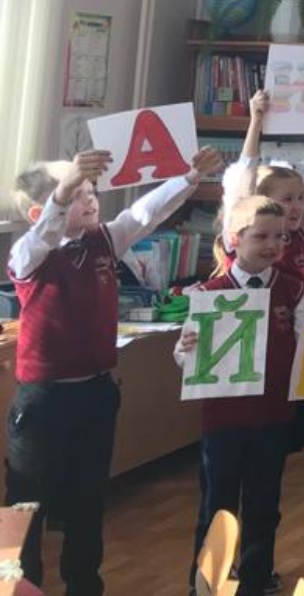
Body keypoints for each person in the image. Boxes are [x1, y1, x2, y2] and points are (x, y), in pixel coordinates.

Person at [7, 146, 219, 595]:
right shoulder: (30, 254)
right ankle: (19, 587)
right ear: (39, 212)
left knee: (88, 502)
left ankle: (84, 586)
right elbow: (45, 232)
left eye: (90, 191)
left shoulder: (104, 239)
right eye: (75, 194)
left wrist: (187, 178)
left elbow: (145, 213)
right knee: (26, 505)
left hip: (96, 395)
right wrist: (63, 190)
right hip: (44, 401)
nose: (89, 199)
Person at [179, 196, 304, 596]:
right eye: (262, 236)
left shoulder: (292, 290)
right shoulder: (211, 292)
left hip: (272, 418)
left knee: (264, 506)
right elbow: (185, 359)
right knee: (217, 507)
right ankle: (207, 585)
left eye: (280, 237)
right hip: (222, 421)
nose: (272, 245)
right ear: (236, 239)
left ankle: (256, 581)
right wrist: (186, 348)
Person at [218, 89, 304, 282]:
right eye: (287, 199)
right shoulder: (241, 226)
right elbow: (244, 181)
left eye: (300, 198)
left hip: (295, 301)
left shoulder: (299, 228)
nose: (298, 206)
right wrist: (256, 122)